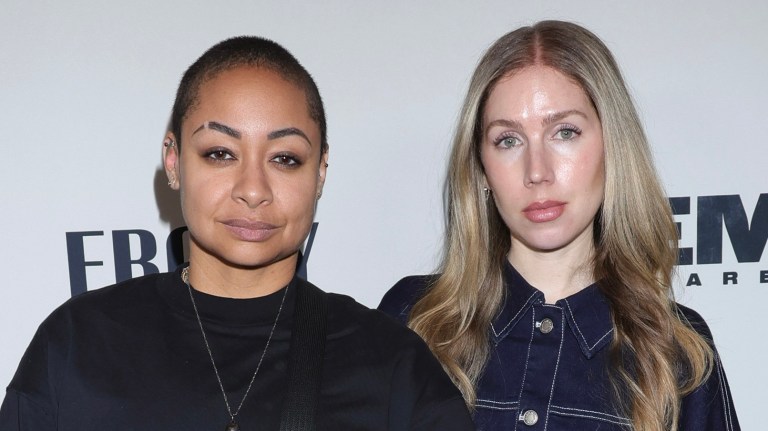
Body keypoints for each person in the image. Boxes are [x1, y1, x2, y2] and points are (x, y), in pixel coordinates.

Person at [0, 36, 474, 431]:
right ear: (173, 159)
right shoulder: (79, 344)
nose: (253, 190)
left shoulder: (391, 364)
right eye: (220, 153)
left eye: (285, 158)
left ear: (321, 172)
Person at [379, 20, 739, 431]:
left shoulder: (677, 350)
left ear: (613, 148)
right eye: (508, 140)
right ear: (481, 168)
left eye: (564, 132)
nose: (537, 172)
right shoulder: (413, 318)